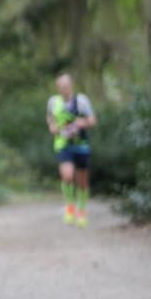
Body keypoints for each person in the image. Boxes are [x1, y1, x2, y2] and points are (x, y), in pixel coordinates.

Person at [47, 73, 96, 227]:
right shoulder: (53, 102)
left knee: (82, 182)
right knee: (67, 176)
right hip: (63, 144)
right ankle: (70, 206)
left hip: (81, 145)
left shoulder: (81, 101)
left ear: (71, 86)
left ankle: (81, 210)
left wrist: (81, 123)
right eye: (61, 86)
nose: (64, 89)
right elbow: (50, 119)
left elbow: (92, 120)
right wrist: (53, 127)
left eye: (66, 86)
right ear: (58, 88)